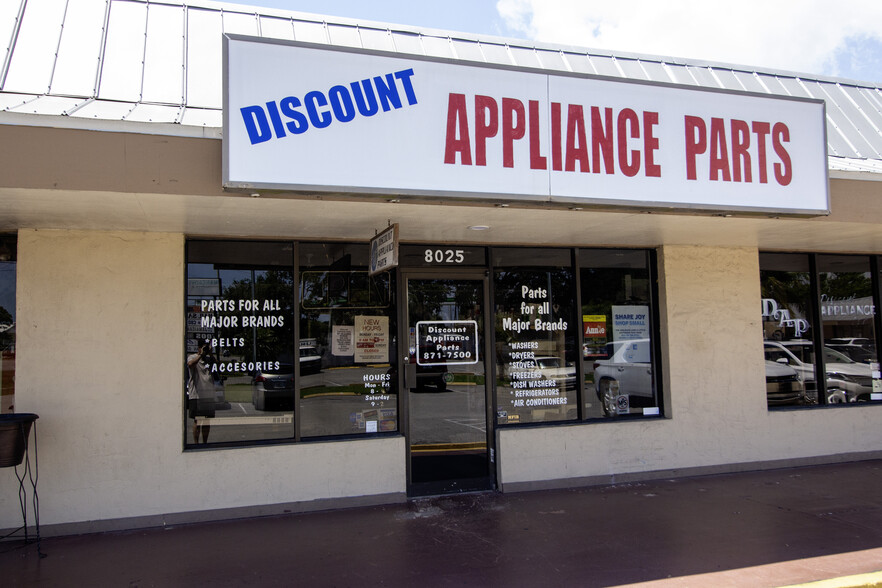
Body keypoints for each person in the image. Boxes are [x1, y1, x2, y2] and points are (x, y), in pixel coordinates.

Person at [187, 340, 216, 443]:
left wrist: (211, 354)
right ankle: (196, 443)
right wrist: (200, 354)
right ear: (199, 348)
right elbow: (190, 364)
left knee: (207, 421)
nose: (205, 350)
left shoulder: (209, 359)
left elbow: (218, 366)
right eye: (203, 347)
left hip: (208, 394)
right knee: (197, 420)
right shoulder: (192, 357)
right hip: (196, 395)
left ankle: (205, 443)